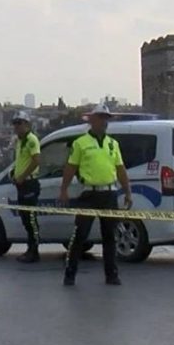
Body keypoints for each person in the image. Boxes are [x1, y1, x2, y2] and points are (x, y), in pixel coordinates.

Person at [58, 105, 132, 286]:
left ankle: (111, 274)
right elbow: (70, 167)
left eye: (106, 118)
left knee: (109, 237)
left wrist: (127, 191)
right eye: (101, 118)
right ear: (92, 120)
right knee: (79, 236)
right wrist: (64, 189)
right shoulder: (80, 143)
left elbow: (120, 169)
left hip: (109, 193)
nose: (104, 122)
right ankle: (70, 273)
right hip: (89, 194)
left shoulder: (112, 144)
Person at [11, 112, 42, 262]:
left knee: (30, 219)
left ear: (27, 124)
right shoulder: (19, 141)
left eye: (20, 123)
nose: (17, 127)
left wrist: (23, 176)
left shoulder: (31, 140)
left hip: (29, 183)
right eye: (15, 124)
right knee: (25, 218)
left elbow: (36, 161)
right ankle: (30, 248)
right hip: (21, 184)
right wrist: (14, 173)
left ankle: (34, 250)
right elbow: (21, 161)